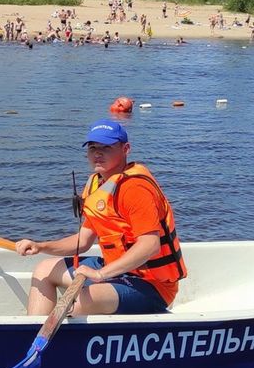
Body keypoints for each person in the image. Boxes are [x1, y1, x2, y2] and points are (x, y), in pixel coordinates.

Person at [16, 120, 187, 316]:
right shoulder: (97, 184)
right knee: (44, 270)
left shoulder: (135, 188)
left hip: (149, 284)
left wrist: (100, 274)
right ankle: (33, 336)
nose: (98, 153)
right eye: (93, 148)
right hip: (114, 271)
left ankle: (63, 343)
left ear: (125, 149)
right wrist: (41, 246)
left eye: (106, 147)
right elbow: (84, 240)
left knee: (80, 301)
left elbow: (150, 245)